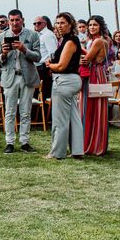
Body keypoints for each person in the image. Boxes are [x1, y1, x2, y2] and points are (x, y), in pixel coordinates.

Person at [0, 9, 41, 154]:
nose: (14, 23)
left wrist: (24, 49)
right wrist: (4, 54)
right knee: (10, 111)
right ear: (8, 21)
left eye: (17, 20)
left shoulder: (32, 34)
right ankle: (9, 142)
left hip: (27, 77)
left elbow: (38, 57)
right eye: (12, 20)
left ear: (22, 20)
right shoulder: (2, 36)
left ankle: (25, 142)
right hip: (9, 77)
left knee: (25, 111)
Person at [44, 12, 83, 159]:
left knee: (59, 119)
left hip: (65, 81)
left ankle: (57, 153)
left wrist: (50, 65)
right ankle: (78, 150)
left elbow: (61, 66)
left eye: (62, 23)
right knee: (74, 117)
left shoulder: (70, 41)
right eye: (57, 23)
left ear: (70, 24)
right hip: (71, 81)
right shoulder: (68, 40)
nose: (59, 26)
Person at [80, 15, 110, 156]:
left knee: (91, 107)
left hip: (94, 74)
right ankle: (96, 142)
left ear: (101, 27)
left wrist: (78, 48)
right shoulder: (104, 40)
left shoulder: (98, 41)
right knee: (96, 108)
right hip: (99, 73)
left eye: (95, 25)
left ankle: (91, 143)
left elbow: (87, 59)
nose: (92, 27)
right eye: (90, 25)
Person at [34, 15, 58, 100]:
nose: (36, 25)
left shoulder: (47, 35)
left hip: (44, 68)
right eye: (35, 23)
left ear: (45, 23)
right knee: (38, 94)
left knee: (44, 93)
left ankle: (45, 113)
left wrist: (51, 68)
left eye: (39, 23)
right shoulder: (39, 35)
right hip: (38, 68)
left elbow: (53, 53)